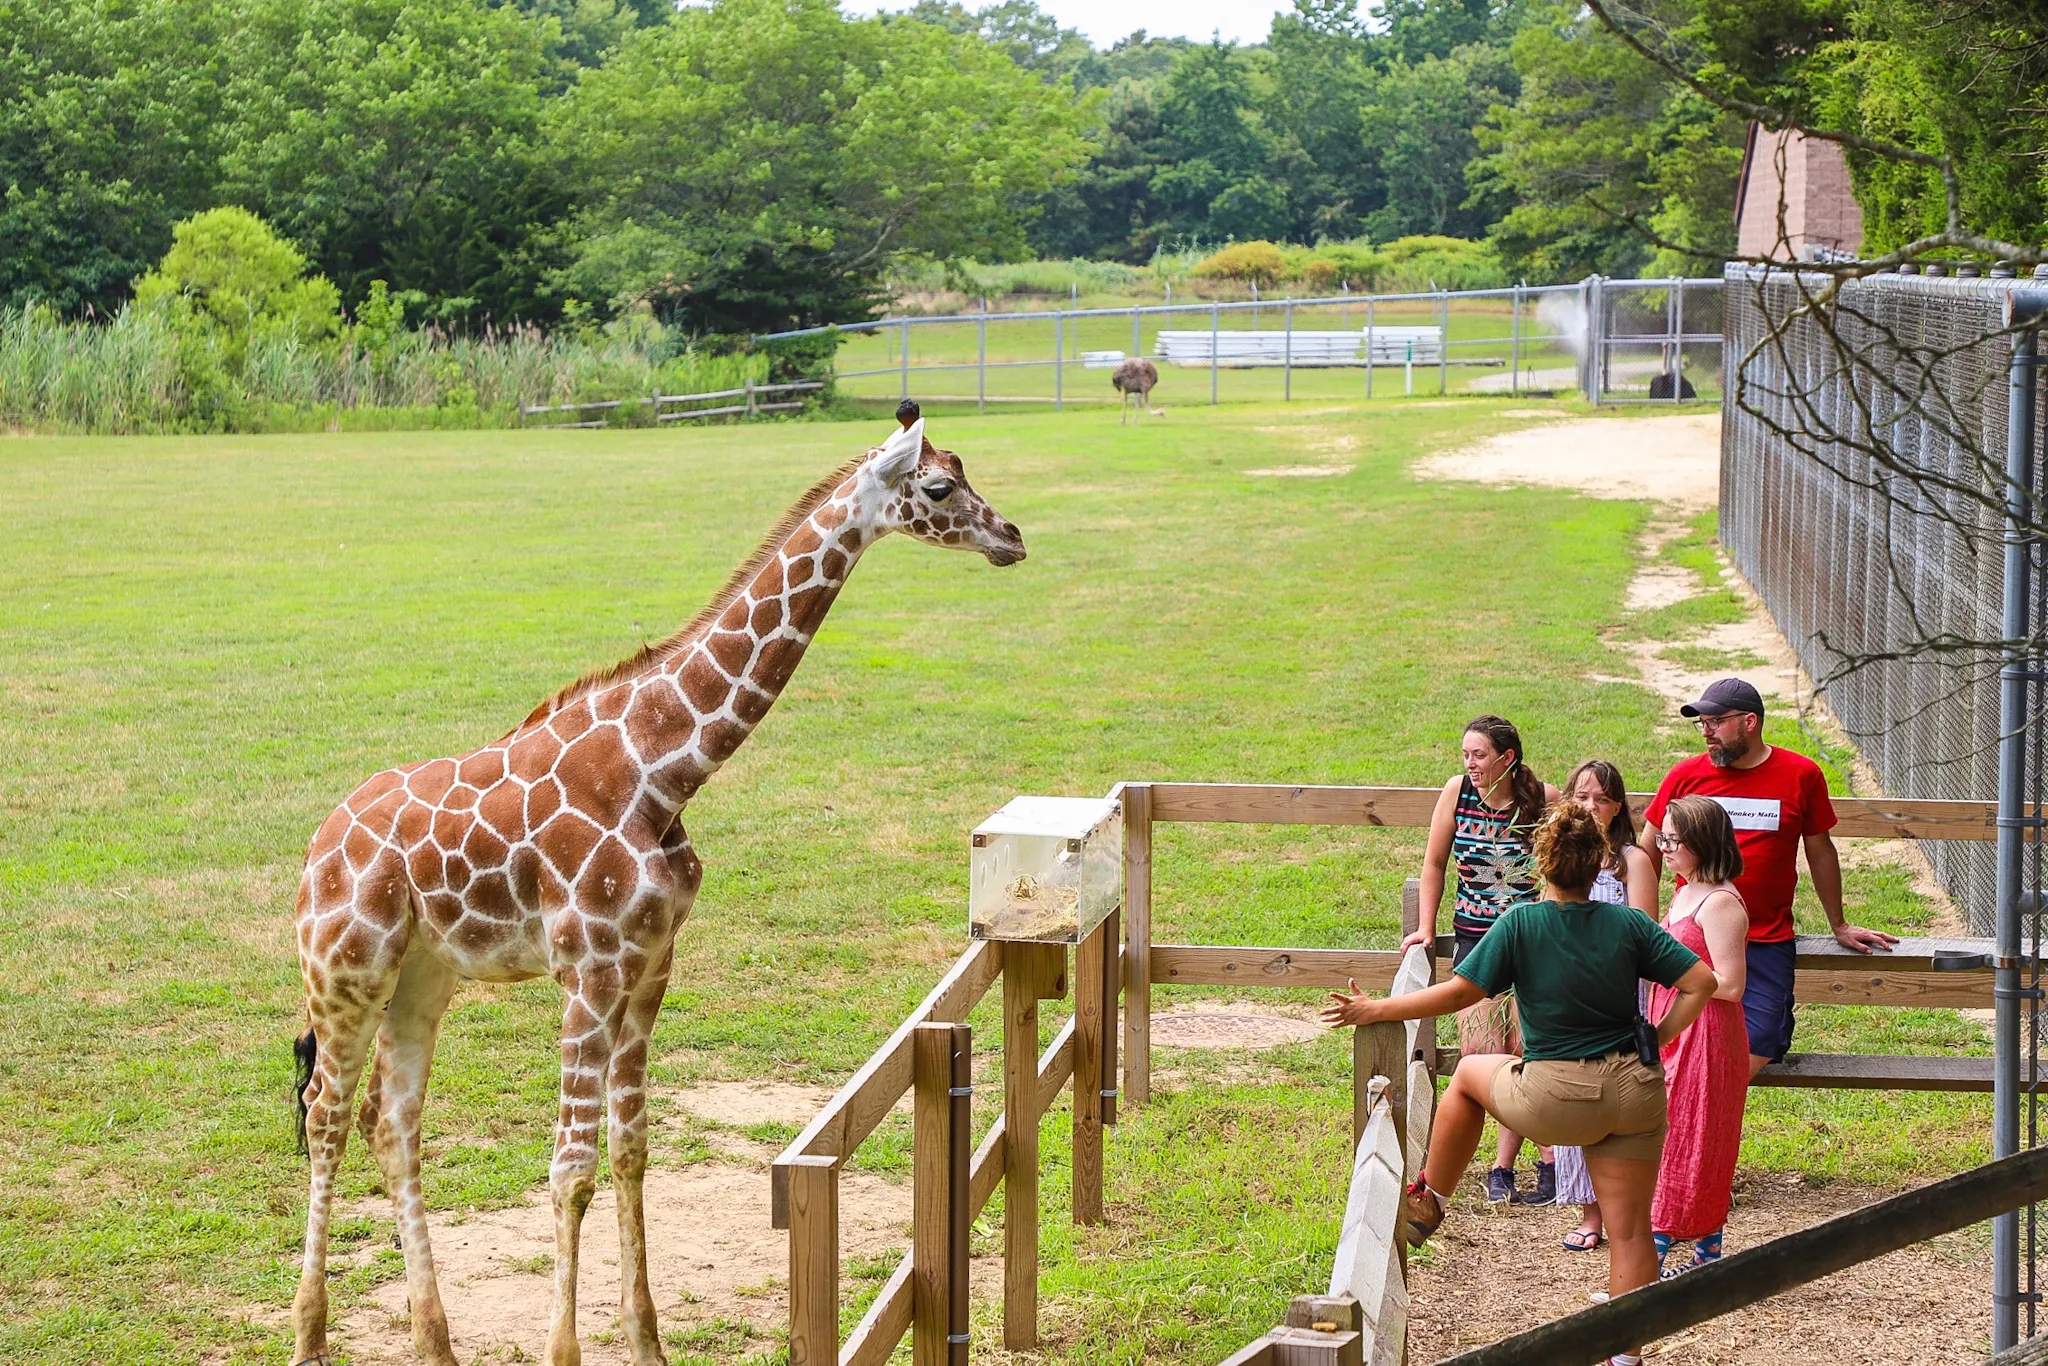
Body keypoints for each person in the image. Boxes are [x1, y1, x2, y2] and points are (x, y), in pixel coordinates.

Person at [1325, 800, 1718, 1366]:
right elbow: (1701, 982)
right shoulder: (1629, 922)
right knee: (1630, 1231)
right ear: (1599, 865)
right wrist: (1656, 1034)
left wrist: (1378, 1008)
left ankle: (1430, 1197)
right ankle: (1626, 1359)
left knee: (1464, 1074)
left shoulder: (1522, 923)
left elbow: (1461, 993)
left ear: (1542, 863)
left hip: (1556, 1096)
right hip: (1634, 1089)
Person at [1641, 678, 1898, 1078]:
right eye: (1702, 723)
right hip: (1695, 938)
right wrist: (1647, 925)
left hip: (1766, 936)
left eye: (1716, 721)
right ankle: (1683, 1115)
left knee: (1762, 1040)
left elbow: (1820, 850)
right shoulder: (1685, 775)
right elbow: (1649, 851)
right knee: (1678, 1038)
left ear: (1750, 721)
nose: (1706, 731)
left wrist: (1839, 923)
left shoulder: (1801, 775)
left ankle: (1704, 1104)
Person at [1399, 714, 1561, 1204]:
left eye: (1479, 755)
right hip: (1476, 938)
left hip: (1532, 941)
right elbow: (1433, 862)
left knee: (1534, 1048)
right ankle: (1500, 1165)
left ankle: (1548, 1161)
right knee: (1481, 1051)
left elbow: (1566, 864)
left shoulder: (1545, 799)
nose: (1469, 763)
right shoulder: (1457, 792)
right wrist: (1426, 927)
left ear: (1506, 758)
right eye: (1466, 754)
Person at [1549, 759, 1658, 1254]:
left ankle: (1627, 1214)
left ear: (1617, 808)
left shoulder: (1632, 860)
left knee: (1621, 1098)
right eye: (1583, 796)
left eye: (1603, 799)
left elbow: (1645, 933)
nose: (1592, 806)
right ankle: (1589, 1212)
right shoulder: (1560, 858)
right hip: (1570, 992)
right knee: (1576, 1096)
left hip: (1620, 993)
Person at [1647, 796, 1752, 1276]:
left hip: (1706, 1035)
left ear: (1702, 842)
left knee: (1691, 1137)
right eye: (1663, 837)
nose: (1663, 847)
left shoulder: (1722, 903)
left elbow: (1730, 984)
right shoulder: (1685, 890)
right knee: (1677, 1134)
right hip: (1675, 1026)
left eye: (1673, 839)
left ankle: (1651, 1262)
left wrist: (1678, 978)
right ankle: (1706, 1257)